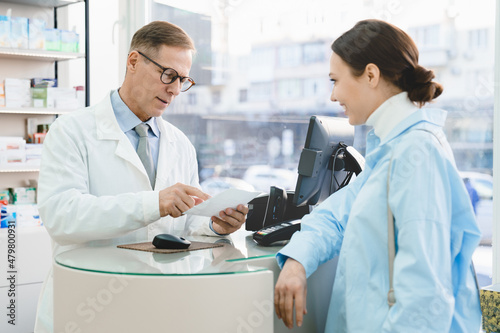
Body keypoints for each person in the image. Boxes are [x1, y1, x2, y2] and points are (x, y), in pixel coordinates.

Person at [35, 21, 248, 332]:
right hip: (87, 306)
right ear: (133, 62)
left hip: (158, 304)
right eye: (168, 75)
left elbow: (186, 225)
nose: (175, 89)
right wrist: (153, 204)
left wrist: (215, 224)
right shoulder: (71, 131)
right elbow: (61, 217)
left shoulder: (180, 144)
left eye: (183, 80)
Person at [274, 19, 481, 332]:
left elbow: (424, 301)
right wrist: (297, 261)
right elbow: (337, 216)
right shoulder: (391, 148)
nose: (333, 96)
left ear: (370, 74)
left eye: (335, 80)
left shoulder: (417, 153)